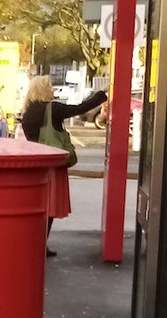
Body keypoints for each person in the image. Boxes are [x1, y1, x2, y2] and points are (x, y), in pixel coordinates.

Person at [20, 75, 106, 257]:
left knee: (40, 206)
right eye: (50, 87)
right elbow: (81, 108)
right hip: (53, 163)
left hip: (36, 166)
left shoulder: (27, 113)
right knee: (50, 208)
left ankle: (35, 243)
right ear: (43, 89)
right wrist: (101, 94)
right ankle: (40, 245)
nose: (52, 90)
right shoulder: (54, 109)